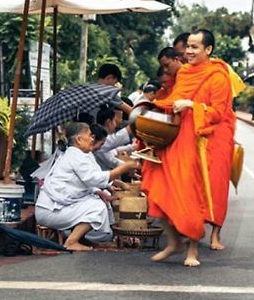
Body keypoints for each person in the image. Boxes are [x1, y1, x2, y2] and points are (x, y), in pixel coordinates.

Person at [141, 29, 235, 266]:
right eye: (188, 47)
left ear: (208, 50)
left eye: (195, 47)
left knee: (191, 195)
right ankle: (174, 241)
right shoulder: (184, 74)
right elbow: (174, 101)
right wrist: (151, 107)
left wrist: (193, 105)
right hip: (177, 139)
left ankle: (192, 250)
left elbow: (218, 112)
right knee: (158, 184)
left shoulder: (218, 76)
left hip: (199, 143)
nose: (189, 51)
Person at [35, 122, 140, 251]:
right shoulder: (75, 155)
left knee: (96, 200)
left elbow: (88, 181)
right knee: (96, 207)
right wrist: (124, 167)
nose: (92, 139)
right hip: (50, 210)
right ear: (79, 140)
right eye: (90, 135)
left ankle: (81, 238)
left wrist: (100, 191)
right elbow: (94, 178)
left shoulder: (79, 154)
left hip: (56, 206)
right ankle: (71, 241)